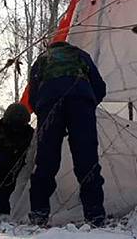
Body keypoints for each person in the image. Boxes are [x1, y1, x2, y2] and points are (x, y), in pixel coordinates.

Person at [27, 41, 107, 227]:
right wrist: (87, 104)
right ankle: (95, 215)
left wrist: (45, 112)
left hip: (49, 103)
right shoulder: (81, 55)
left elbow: (32, 96)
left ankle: (39, 213)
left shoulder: (42, 60)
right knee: (87, 159)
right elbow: (100, 87)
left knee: (46, 160)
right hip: (81, 102)